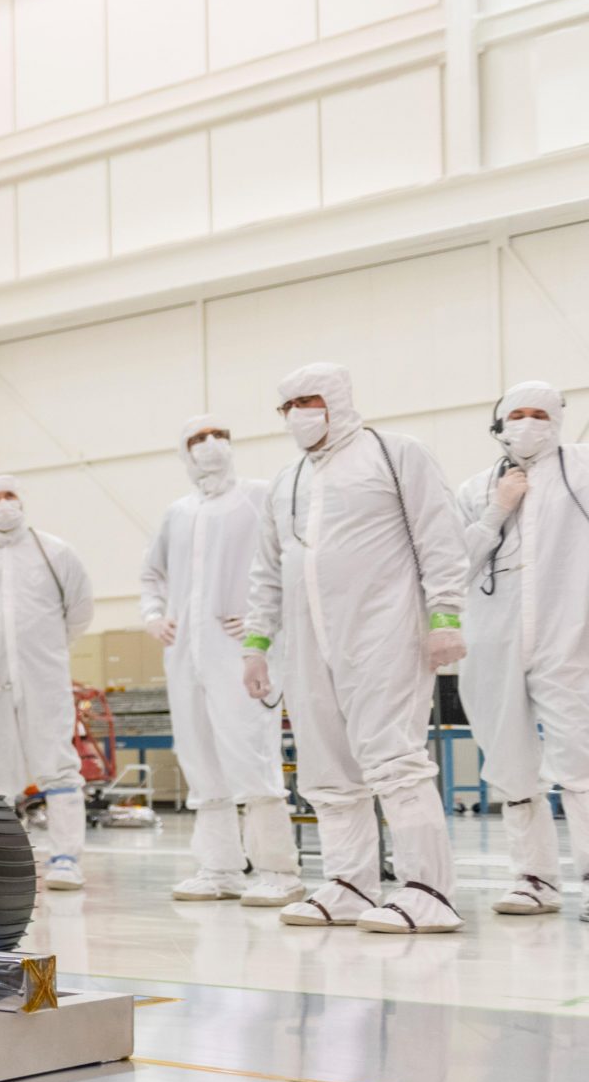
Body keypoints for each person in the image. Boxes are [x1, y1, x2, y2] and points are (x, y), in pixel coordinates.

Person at [243, 363, 469, 932]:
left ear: (339, 399)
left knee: (393, 757)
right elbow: (267, 570)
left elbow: (439, 534)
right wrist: (255, 642)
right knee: (325, 769)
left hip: (384, 632)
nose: (299, 413)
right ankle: (349, 883)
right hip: (307, 644)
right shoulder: (287, 480)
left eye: (309, 399)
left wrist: (445, 614)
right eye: (287, 405)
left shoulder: (394, 454)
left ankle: (429, 890)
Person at [140, 416, 304, 906]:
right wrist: (154, 616)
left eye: (220, 436)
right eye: (197, 438)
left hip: (241, 650)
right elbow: (152, 575)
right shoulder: (178, 513)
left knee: (251, 753)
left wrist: (262, 622)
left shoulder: (259, 496)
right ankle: (219, 867)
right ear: (183, 451)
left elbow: (284, 559)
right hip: (185, 653)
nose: (211, 445)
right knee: (200, 756)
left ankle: (278, 869)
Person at [454, 380, 589, 919]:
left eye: (539, 413)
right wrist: (495, 512)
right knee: (508, 761)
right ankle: (534, 878)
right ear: (498, 423)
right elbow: (452, 565)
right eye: (517, 414)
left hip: (569, 635)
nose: (527, 423)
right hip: (493, 639)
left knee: (580, 759)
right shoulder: (474, 488)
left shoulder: (581, 471)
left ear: (557, 420)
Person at [0, 475, 95, 890]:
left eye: (10, 495)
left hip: (43, 679)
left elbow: (79, 610)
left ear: (22, 502)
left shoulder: (55, 552)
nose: (3, 503)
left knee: (58, 764)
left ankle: (66, 858)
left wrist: (45, 650)